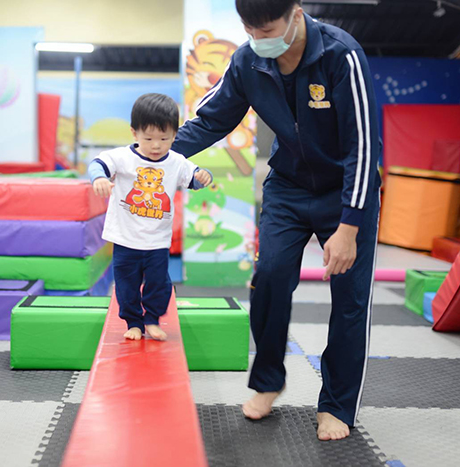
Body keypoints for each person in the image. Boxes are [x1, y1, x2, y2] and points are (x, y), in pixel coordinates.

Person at [172, 0, 381, 441]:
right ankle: (268, 379)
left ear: (296, 14)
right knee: (269, 276)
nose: (258, 39)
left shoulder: (340, 55)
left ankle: (337, 405)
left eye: (267, 30)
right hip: (288, 187)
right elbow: (209, 120)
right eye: (250, 29)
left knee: (350, 298)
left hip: (346, 192)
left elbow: (364, 146)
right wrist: (151, 160)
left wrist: (349, 227)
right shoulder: (247, 61)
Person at [89, 93, 213, 341]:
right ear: (134, 133)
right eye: (148, 139)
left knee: (159, 283)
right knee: (126, 285)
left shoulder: (176, 161)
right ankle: (134, 322)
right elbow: (97, 164)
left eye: (164, 139)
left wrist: (203, 177)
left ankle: (152, 319)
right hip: (125, 238)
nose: (156, 146)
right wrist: (99, 178)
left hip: (157, 240)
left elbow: (194, 177)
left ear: (175, 135)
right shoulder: (123, 157)